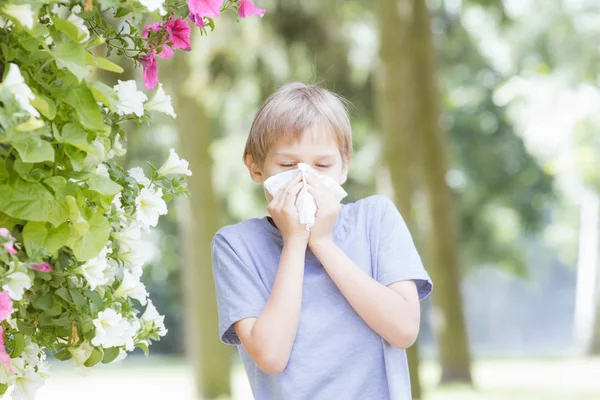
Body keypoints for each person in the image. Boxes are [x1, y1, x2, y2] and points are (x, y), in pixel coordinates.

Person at [211, 82, 433, 399]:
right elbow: (271, 356)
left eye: (323, 166)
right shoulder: (235, 244)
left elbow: (404, 329)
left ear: (345, 166)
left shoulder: (376, 218)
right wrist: (295, 241)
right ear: (255, 167)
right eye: (288, 165)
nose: (305, 177)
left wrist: (324, 242)